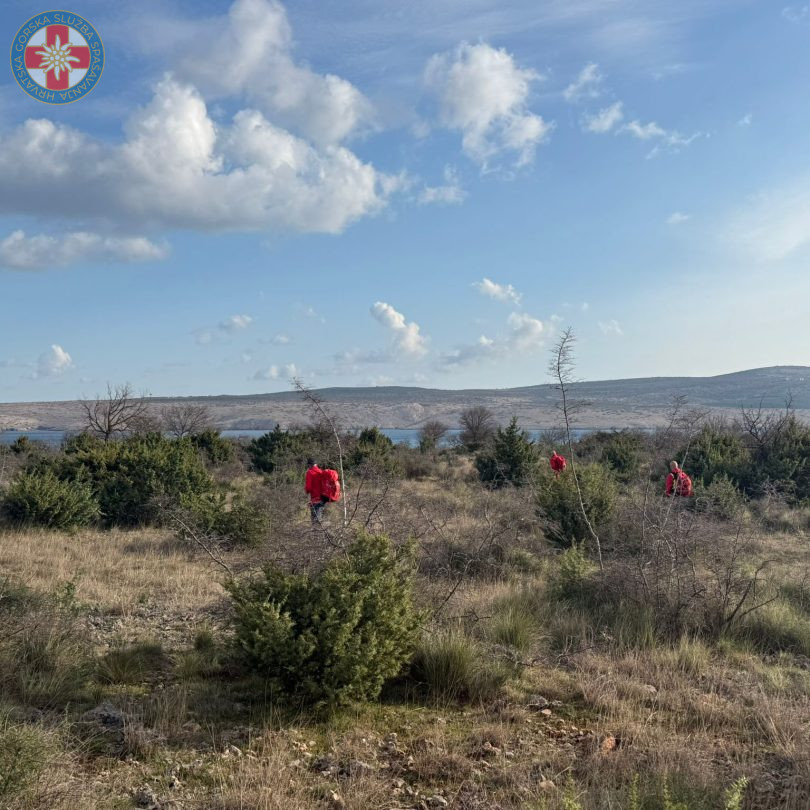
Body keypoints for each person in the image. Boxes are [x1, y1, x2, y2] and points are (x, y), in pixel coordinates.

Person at [305, 458, 329, 524]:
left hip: (315, 499)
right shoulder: (321, 471)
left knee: (315, 521)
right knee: (320, 519)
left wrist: (306, 491)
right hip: (323, 499)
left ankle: (317, 531)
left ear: (309, 465)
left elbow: (308, 488)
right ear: (316, 464)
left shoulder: (310, 472)